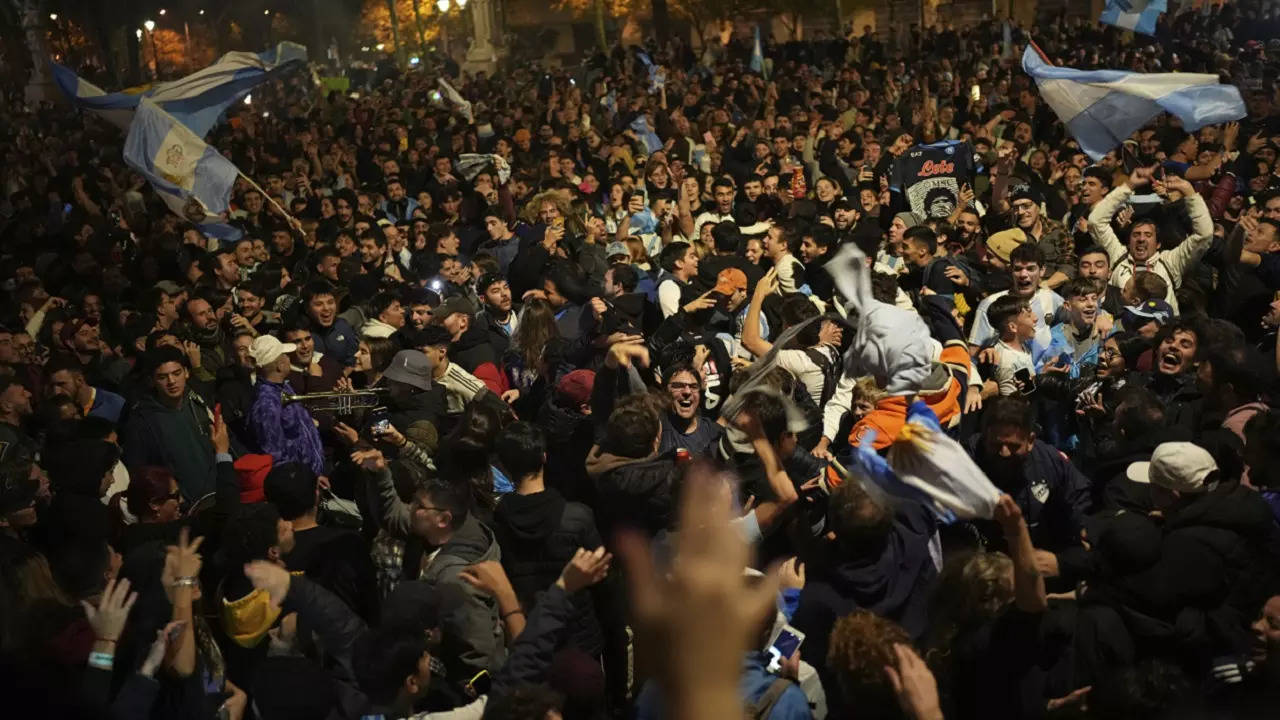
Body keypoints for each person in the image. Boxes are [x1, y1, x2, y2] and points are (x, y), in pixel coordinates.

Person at [1087, 166, 1213, 311]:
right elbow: (1096, 222)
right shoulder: (1117, 255)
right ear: (1129, 242)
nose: (1141, 239)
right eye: (1136, 234)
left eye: (1148, 235)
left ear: (1158, 244)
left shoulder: (1171, 262)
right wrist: (1129, 186)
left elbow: (1204, 235)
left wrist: (1188, 191)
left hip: (1162, 331)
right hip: (1122, 330)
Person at [121, 347, 218, 502]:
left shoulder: (197, 401)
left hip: (217, 493)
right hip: (182, 508)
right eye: (162, 377)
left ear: (186, 372)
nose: (171, 381)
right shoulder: (142, 420)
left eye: (176, 373)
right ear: (152, 380)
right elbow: (140, 471)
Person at [247, 335, 325, 479]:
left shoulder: (284, 387)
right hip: (300, 482)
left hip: (313, 476)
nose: (289, 358)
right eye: (285, 355)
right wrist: (303, 481)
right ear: (279, 366)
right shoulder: (266, 404)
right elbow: (275, 454)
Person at [44, 358, 125, 423]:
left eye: (61, 384)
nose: (56, 391)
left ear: (79, 380)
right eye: (52, 386)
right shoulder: (54, 410)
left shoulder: (115, 405)